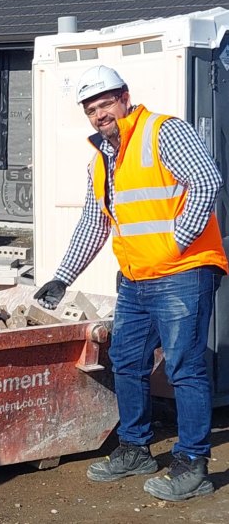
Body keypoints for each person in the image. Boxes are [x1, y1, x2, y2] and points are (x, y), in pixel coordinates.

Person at [34, 65, 227, 502]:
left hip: (184, 272)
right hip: (137, 280)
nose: (99, 114)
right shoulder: (101, 159)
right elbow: (94, 223)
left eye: (104, 103)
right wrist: (63, 277)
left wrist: (173, 244)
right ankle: (135, 448)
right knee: (126, 360)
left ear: (124, 96)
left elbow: (206, 181)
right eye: (90, 109)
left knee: (184, 367)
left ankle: (192, 464)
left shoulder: (163, 131)